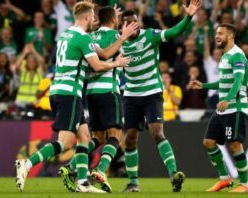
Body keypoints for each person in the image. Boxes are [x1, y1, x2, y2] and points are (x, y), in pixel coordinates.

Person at [15, 1, 133, 193]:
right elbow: (98, 64)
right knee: (65, 142)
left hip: (59, 90)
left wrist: (110, 19)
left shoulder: (65, 35)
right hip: (69, 93)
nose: (94, 20)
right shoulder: (83, 38)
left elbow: (97, 49)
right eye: (93, 16)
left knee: (85, 137)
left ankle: (83, 183)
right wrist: (116, 63)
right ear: (87, 17)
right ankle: (27, 164)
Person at [120, 0, 201, 192]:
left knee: (157, 132)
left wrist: (188, 16)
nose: (132, 26)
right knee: (130, 137)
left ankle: (174, 174)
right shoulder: (118, 40)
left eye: (134, 22)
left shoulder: (150, 35)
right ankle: (133, 182)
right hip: (131, 94)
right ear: (122, 26)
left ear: (138, 22)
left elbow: (173, 32)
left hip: (152, 92)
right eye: (128, 23)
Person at [59, 6, 125, 193]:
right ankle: (100, 170)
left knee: (97, 137)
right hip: (109, 91)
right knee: (115, 135)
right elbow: (114, 54)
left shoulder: (90, 36)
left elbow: (98, 32)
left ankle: (71, 166)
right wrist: (123, 36)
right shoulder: (116, 37)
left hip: (90, 93)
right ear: (114, 20)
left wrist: (109, 17)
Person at [188, 23, 248, 192]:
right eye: (216, 33)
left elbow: (238, 81)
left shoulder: (237, 55)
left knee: (235, 144)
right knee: (208, 142)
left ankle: (244, 185)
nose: (216, 36)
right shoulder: (224, 56)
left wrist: (228, 100)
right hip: (223, 108)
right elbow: (223, 82)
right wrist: (204, 85)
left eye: (220, 33)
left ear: (230, 36)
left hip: (235, 107)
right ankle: (224, 179)